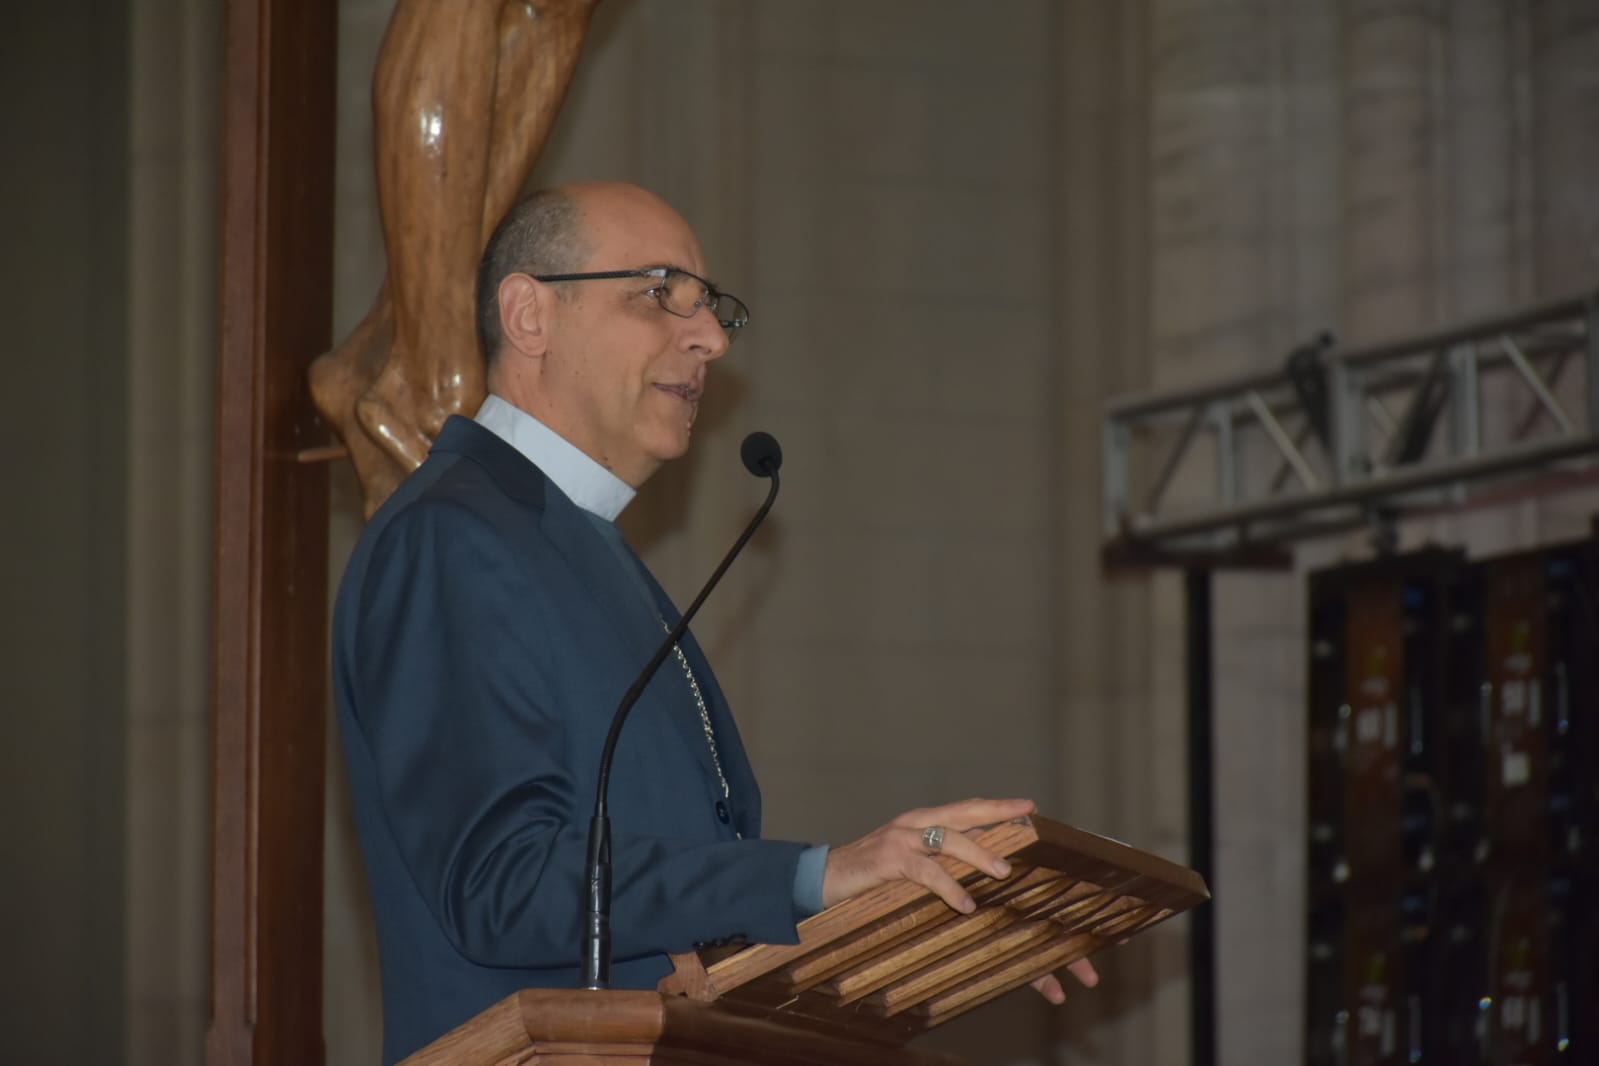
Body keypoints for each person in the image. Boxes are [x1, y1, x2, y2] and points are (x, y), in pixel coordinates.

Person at [331, 181, 1094, 1064]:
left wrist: (906, 923)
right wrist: (813, 875)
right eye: (660, 295)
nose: (711, 339)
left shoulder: (577, 546)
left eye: (712, 307)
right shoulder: (451, 537)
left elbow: (676, 933)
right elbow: (501, 880)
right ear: (528, 314)